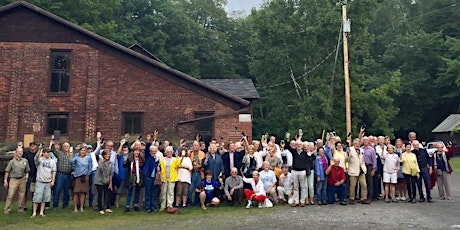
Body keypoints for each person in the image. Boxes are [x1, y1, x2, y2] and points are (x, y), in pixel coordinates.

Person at [4, 147, 30, 214]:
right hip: (13, 179)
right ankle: (7, 209)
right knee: (11, 194)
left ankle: (21, 208)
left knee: (22, 195)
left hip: (22, 179)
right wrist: (5, 180)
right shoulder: (12, 162)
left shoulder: (25, 161)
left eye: (21, 151)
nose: (20, 153)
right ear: (16, 152)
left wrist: (26, 177)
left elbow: (27, 170)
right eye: (19, 151)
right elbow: (7, 171)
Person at [32, 147, 56, 218]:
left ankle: (41, 212)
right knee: (37, 198)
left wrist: (53, 181)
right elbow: (35, 158)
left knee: (44, 199)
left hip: (48, 182)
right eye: (46, 152)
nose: (48, 153)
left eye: (49, 152)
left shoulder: (52, 161)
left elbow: (53, 172)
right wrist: (39, 149)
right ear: (43, 153)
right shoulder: (40, 160)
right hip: (40, 181)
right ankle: (34, 212)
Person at [347, 139, 369, 204]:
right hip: (353, 169)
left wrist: (364, 167)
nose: (357, 145)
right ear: (354, 144)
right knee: (353, 185)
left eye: (359, 143)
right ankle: (352, 198)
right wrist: (348, 155)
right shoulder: (350, 149)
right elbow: (347, 159)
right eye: (356, 143)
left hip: (361, 170)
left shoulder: (362, 150)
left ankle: (363, 198)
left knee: (364, 184)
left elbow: (362, 160)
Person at [52, 142, 73, 210]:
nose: (66, 147)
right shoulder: (60, 153)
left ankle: (65, 205)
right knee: (57, 190)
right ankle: (55, 205)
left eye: (67, 146)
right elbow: (54, 150)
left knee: (67, 191)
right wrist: (52, 143)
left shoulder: (71, 155)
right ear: (62, 147)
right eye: (65, 146)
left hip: (68, 175)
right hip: (60, 174)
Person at [159, 146, 180, 212]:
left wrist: (177, 157)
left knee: (170, 192)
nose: (169, 153)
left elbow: (178, 165)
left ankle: (169, 206)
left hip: (172, 178)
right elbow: (159, 167)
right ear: (166, 152)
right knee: (163, 192)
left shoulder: (175, 159)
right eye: (168, 152)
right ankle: (163, 206)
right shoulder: (162, 159)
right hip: (164, 178)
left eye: (170, 152)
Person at [123, 147, 145, 212]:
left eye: (138, 151)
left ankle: (136, 204)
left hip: (139, 177)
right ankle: (127, 205)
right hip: (131, 176)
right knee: (130, 191)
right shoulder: (130, 159)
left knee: (137, 191)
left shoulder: (141, 159)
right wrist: (125, 161)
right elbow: (124, 166)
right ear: (133, 152)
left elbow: (143, 167)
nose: (137, 152)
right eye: (135, 151)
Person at [72, 146, 92, 212]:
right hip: (78, 176)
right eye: (82, 150)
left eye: (84, 150)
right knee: (76, 192)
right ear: (79, 152)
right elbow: (73, 165)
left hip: (85, 176)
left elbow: (90, 166)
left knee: (83, 192)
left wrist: (88, 173)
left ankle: (81, 207)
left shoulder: (88, 158)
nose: (83, 152)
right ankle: (75, 207)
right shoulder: (76, 158)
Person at [94, 150, 113, 214]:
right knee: (100, 194)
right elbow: (101, 168)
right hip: (99, 180)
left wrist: (110, 183)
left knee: (107, 194)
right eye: (106, 154)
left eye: (109, 154)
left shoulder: (111, 163)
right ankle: (100, 209)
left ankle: (107, 207)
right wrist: (101, 161)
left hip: (106, 180)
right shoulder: (101, 161)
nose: (108, 155)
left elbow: (111, 173)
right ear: (103, 155)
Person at [290, 139, 308, 207]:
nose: (299, 146)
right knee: (296, 187)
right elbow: (288, 145)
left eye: (300, 145)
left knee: (303, 187)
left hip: (302, 171)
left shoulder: (305, 153)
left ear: (302, 146)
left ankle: (302, 201)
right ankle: (296, 201)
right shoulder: (293, 151)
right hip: (294, 170)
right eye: (297, 145)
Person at [188, 140, 205, 206]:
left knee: (198, 187)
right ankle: (189, 202)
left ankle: (197, 202)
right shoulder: (190, 153)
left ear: (199, 146)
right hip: (191, 172)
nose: (196, 147)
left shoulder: (202, 154)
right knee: (190, 188)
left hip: (199, 173)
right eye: (194, 145)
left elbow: (204, 164)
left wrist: (199, 166)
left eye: (197, 145)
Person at [22, 142, 37, 211]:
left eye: (34, 145)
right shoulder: (26, 154)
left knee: (34, 192)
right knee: (25, 191)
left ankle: (34, 206)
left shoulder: (37, 154)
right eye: (31, 145)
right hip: (28, 174)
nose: (32, 146)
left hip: (36, 175)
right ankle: (24, 205)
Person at [362, 137, 377, 202]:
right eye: (364, 140)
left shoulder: (372, 150)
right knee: (363, 182)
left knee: (370, 182)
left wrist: (374, 169)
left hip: (369, 166)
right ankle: (363, 197)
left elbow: (374, 160)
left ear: (369, 141)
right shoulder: (360, 149)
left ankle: (370, 197)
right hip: (362, 166)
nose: (365, 141)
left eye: (366, 140)